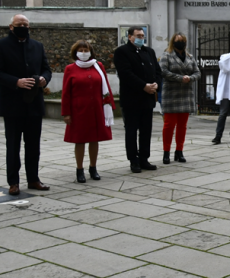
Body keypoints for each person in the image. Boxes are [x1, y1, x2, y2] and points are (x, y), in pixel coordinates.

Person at [0, 14, 52, 195]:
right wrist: (16, 82)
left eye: (25, 24)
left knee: (33, 145)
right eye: (19, 24)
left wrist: (43, 79)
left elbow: (46, 69)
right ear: (11, 26)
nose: (22, 26)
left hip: (34, 103)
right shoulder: (0, 46)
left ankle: (33, 179)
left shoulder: (37, 46)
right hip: (13, 104)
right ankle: (13, 182)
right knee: (13, 145)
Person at [61, 40, 115, 183]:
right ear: (76, 52)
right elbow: (65, 93)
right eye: (81, 50)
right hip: (79, 110)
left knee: (94, 139)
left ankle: (93, 167)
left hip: (97, 109)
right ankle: (79, 169)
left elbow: (106, 87)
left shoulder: (98, 66)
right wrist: (66, 113)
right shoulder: (70, 69)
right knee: (80, 140)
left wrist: (110, 107)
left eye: (86, 50)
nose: (84, 53)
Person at [114, 26, 162, 173]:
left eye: (143, 35)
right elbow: (125, 74)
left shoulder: (149, 51)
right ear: (130, 37)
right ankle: (133, 160)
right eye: (138, 35)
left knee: (146, 130)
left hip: (147, 99)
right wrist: (143, 86)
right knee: (131, 131)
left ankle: (144, 158)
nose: (141, 38)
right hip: (132, 99)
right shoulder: (122, 52)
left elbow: (157, 72)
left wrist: (156, 85)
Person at [160, 33, 200, 163]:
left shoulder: (190, 56)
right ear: (173, 42)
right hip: (171, 94)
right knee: (169, 125)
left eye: (182, 41)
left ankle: (179, 151)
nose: (181, 43)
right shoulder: (166, 55)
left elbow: (197, 72)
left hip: (185, 94)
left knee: (182, 126)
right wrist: (180, 78)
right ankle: (166, 152)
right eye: (178, 41)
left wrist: (190, 78)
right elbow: (163, 72)